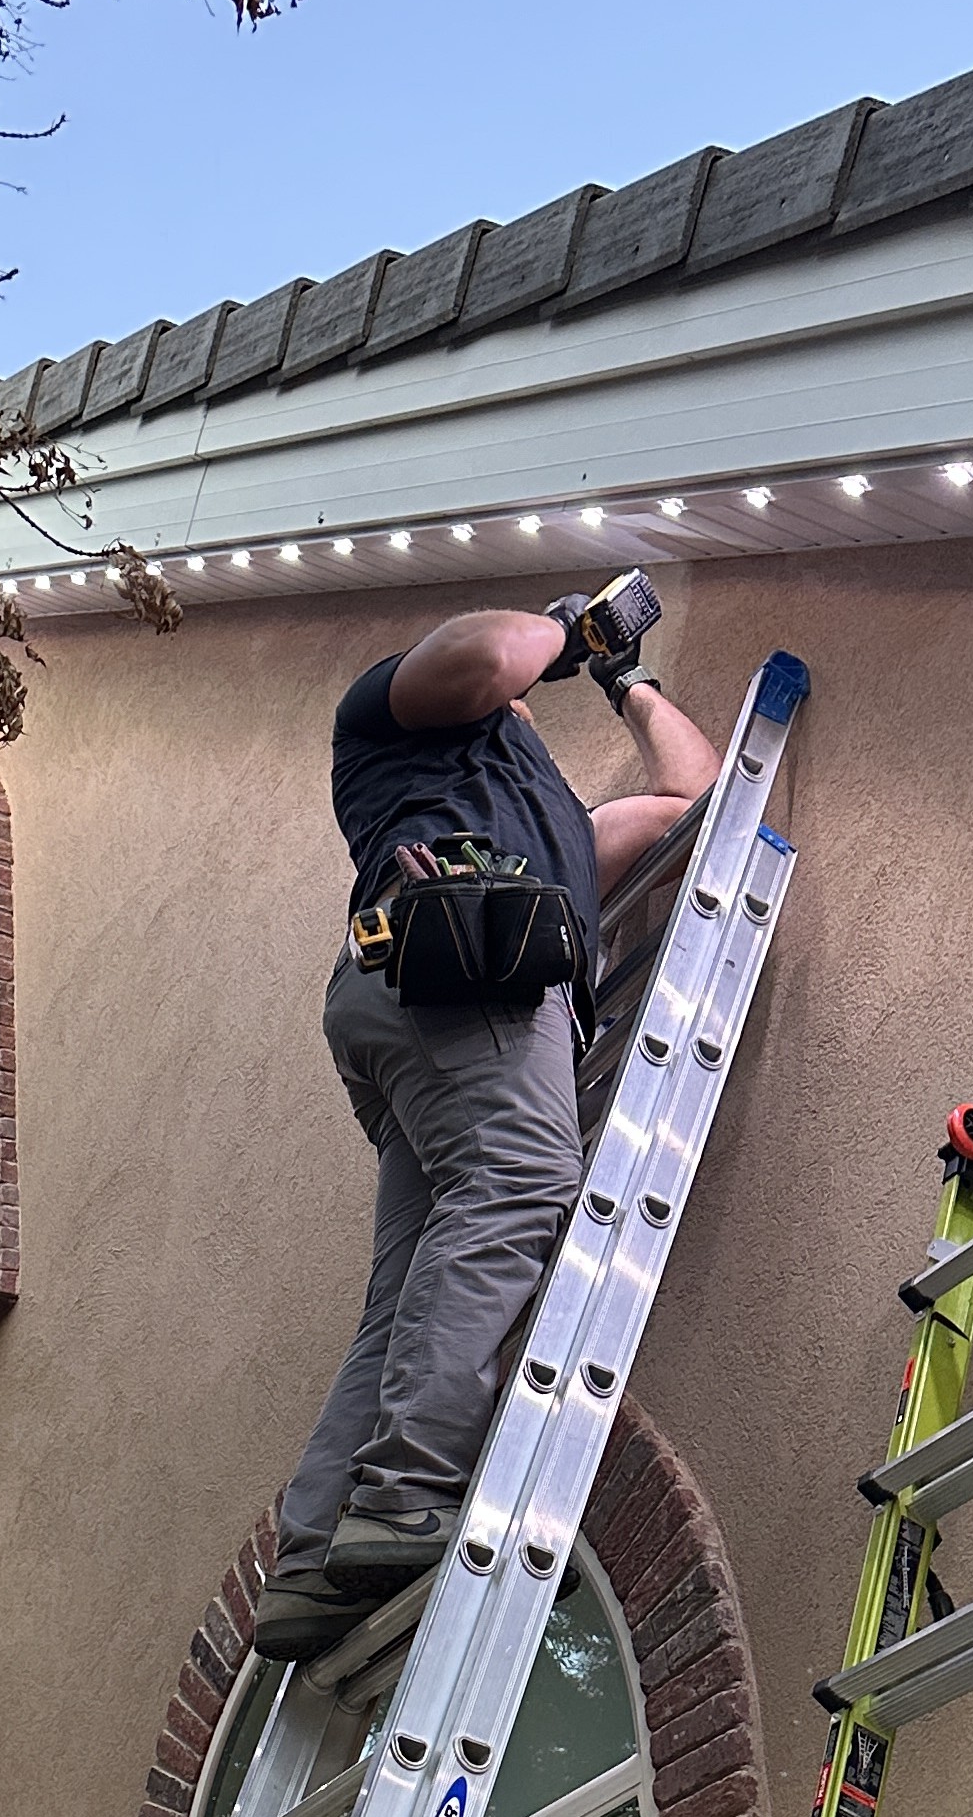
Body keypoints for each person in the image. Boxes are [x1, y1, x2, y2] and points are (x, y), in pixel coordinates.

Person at [251, 578, 726, 1663]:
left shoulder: (553, 826)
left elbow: (695, 803)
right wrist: (566, 630)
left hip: (424, 1005)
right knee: (521, 1182)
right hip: (456, 966)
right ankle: (407, 1491)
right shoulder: (389, 723)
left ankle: (313, 1553)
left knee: (409, 1283)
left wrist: (626, 680)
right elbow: (484, 657)